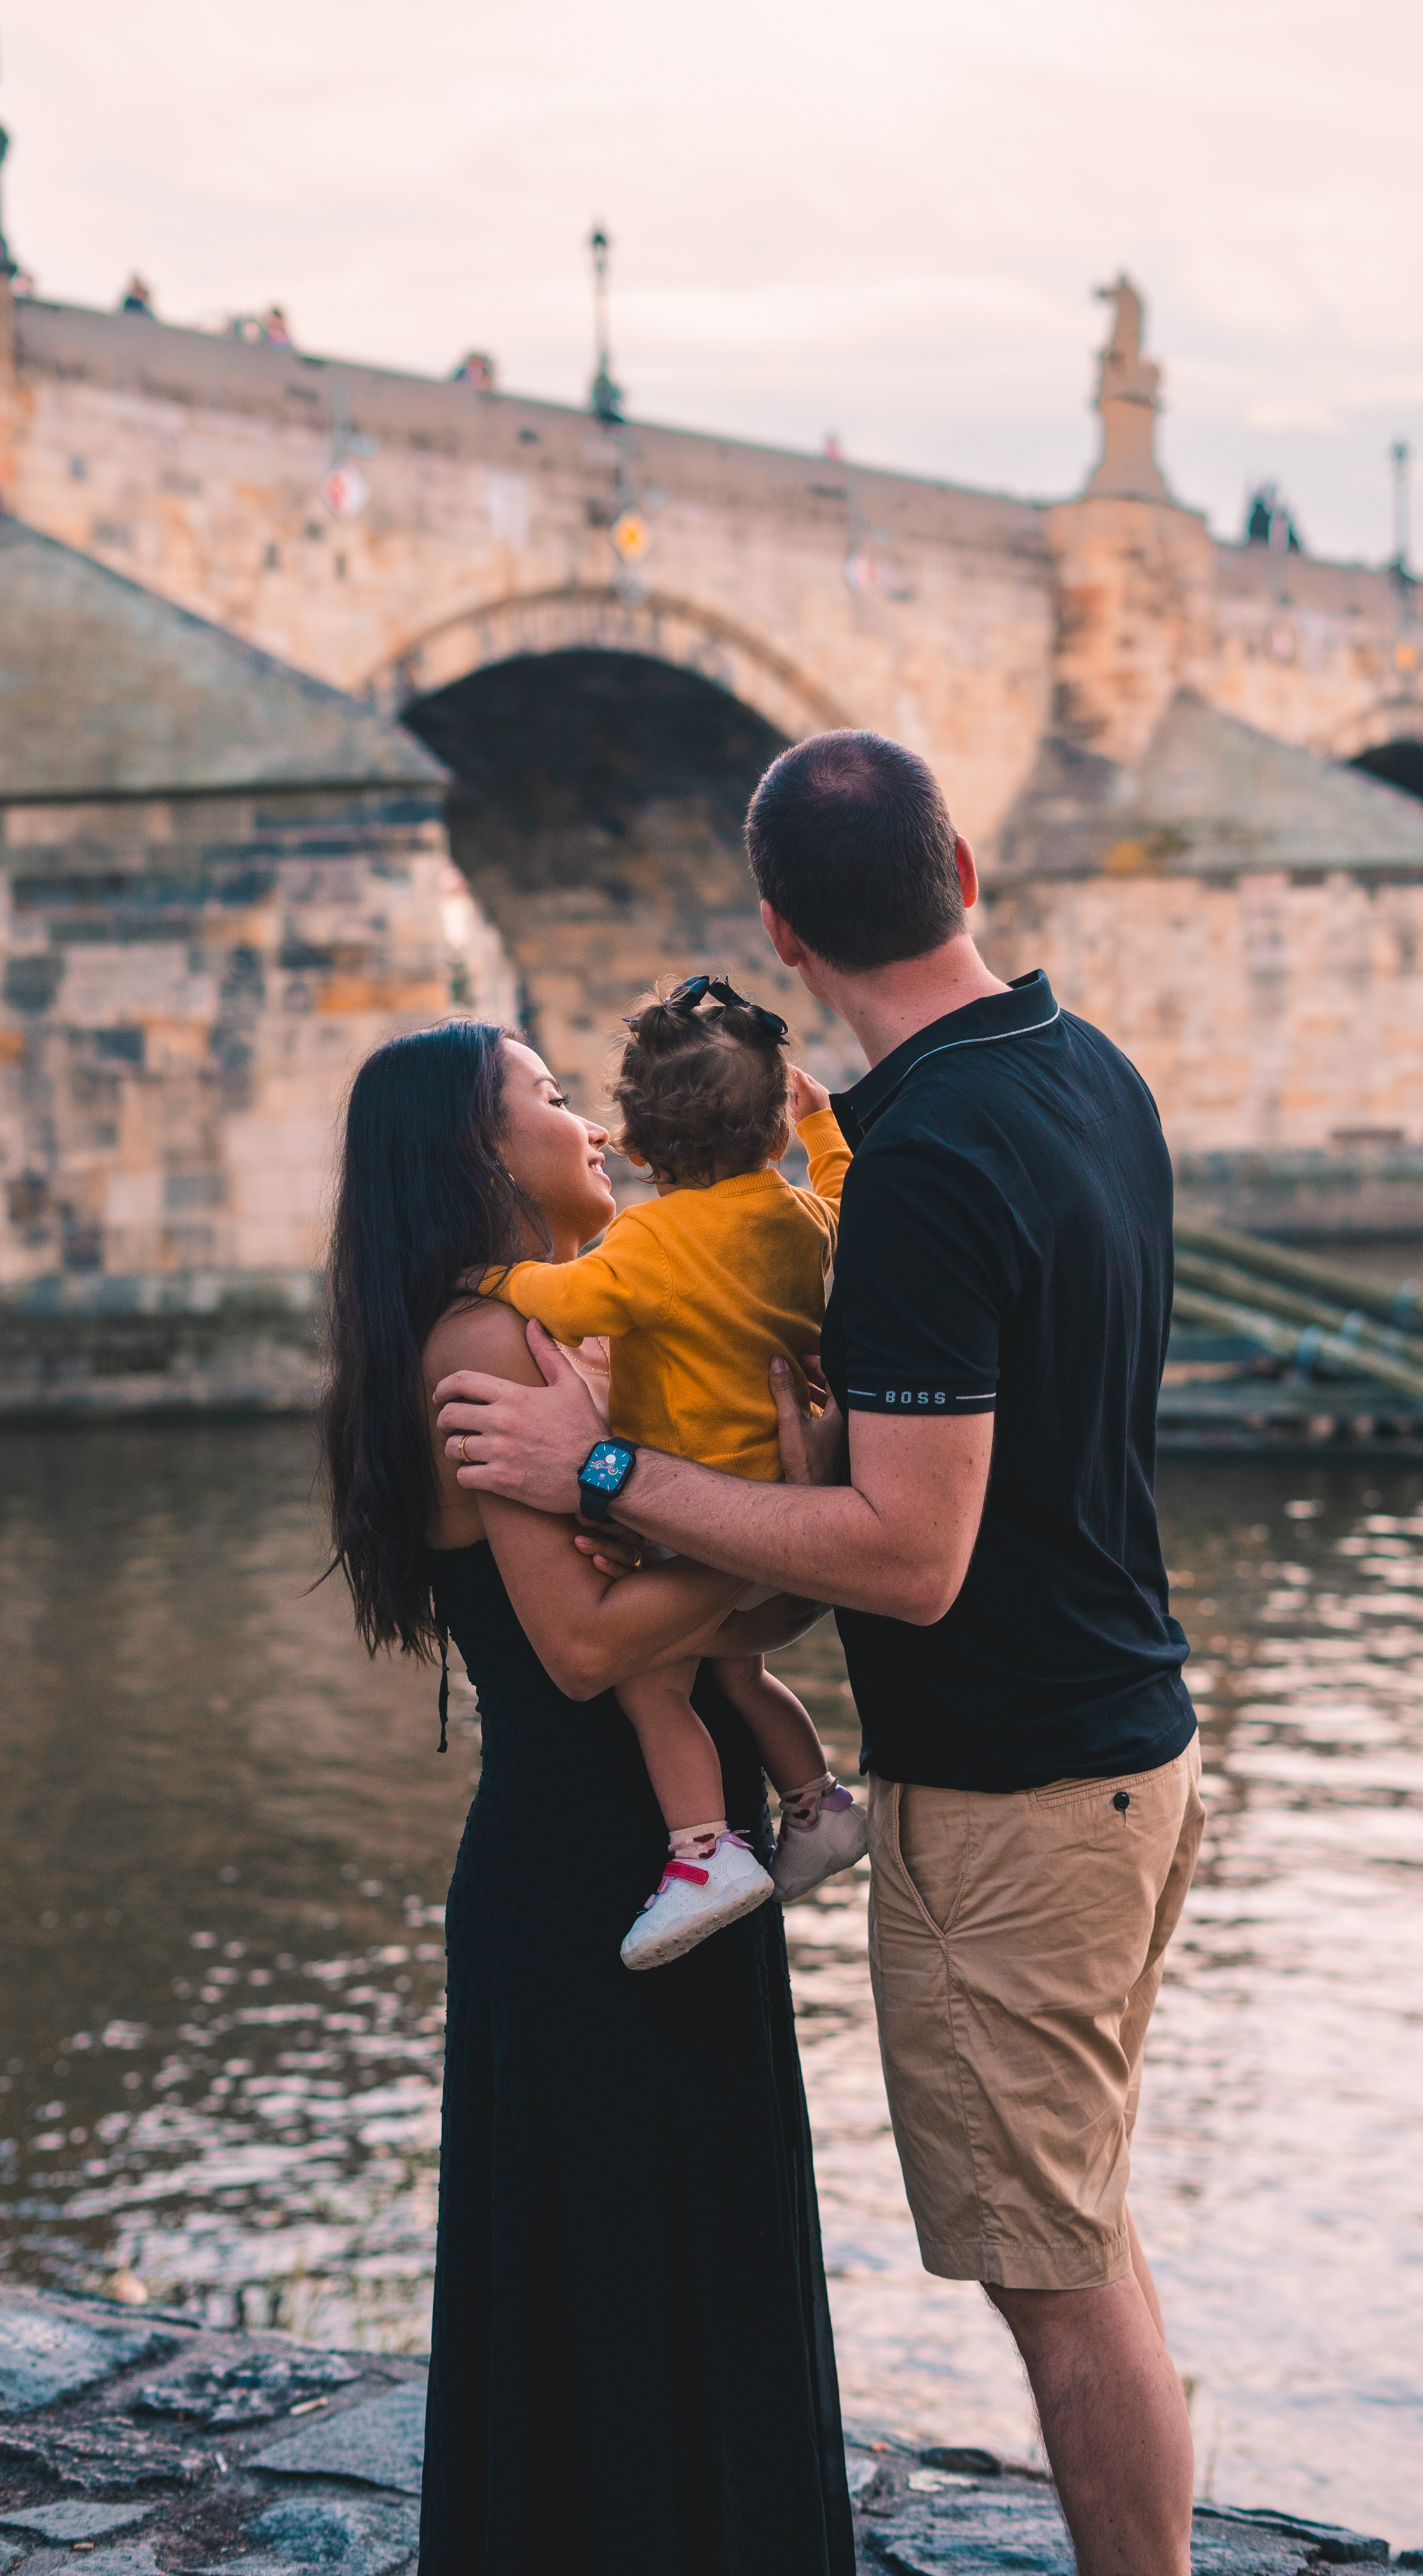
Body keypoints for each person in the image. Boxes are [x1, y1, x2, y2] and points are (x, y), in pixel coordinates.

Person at [432, 731, 1205, 2576]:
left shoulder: (921, 1160)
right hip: (1129, 1740)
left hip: (1018, 1789)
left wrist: (602, 1469)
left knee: (1056, 2286)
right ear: (962, 867)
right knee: (1083, 2237)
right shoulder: (1087, 1072)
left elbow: (912, 1560)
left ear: (782, 931)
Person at [321, 1023, 855, 2576]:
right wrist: (782, 1513)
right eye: (553, 1098)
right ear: (480, 1153)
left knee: (706, 2266)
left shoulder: (585, 1322)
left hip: (687, 1867)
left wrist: (781, 1511)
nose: (594, 1124)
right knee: (620, 2293)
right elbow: (582, 1649)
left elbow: (751, 1617)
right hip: (587, 1887)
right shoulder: (481, 1345)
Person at [482, 973, 868, 1969]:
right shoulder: (798, 1219)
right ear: (772, 1134)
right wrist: (824, 1131)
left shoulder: (652, 1239)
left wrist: (494, 1280)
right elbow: (847, 1199)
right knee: (740, 1671)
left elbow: (570, 1302)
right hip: (777, 1491)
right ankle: (818, 1804)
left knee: (657, 1687)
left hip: (689, 1499)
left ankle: (705, 1854)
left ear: (642, 1150)